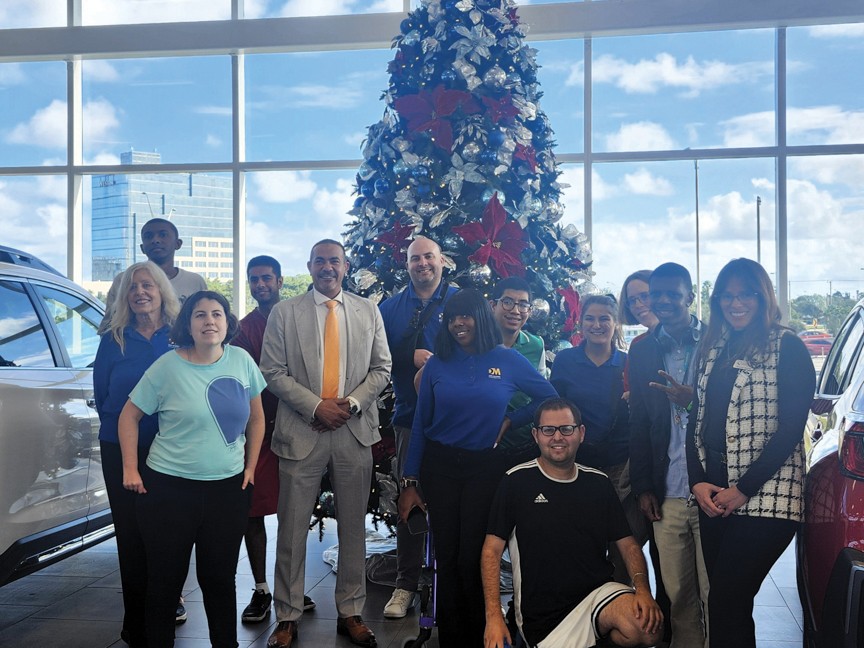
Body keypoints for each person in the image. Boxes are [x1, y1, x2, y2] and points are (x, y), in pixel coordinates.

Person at [398, 288, 558, 647]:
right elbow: (421, 424)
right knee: (448, 556)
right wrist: (409, 480)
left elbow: (550, 397)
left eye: (466, 315)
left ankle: (481, 635)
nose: (458, 323)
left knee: (475, 555)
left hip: (483, 468)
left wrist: (512, 421)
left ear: (481, 318)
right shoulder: (438, 364)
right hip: (439, 468)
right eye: (452, 317)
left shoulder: (508, 360)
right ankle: (453, 638)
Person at [260, 239, 392, 648]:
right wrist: (317, 407)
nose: (327, 268)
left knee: (354, 527)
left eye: (334, 261)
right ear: (310, 266)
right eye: (320, 261)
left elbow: (382, 367)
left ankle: (350, 612)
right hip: (303, 433)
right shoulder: (285, 312)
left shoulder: (368, 310)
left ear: (346, 266)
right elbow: (273, 371)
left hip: (353, 432)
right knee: (292, 528)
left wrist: (349, 405)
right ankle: (287, 615)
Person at [118, 290, 266, 648]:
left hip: (227, 491)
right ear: (188, 323)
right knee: (165, 582)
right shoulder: (167, 366)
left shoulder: (242, 360)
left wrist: (250, 468)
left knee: (219, 579)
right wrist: (130, 469)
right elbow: (129, 416)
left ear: (227, 322)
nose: (209, 321)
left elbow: (258, 419)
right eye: (200, 315)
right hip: (169, 491)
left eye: (216, 314)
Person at [687, 258, 815, 648]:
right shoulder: (715, 347)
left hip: (768, 498)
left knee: (728, 596)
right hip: (714, 495)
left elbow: (791, 430)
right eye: (727, 295)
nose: (735, 302)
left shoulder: (787, 346)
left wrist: (743, 488)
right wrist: (697, 482)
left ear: (763, 297)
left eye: (745, 294)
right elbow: (698, 418)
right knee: (726, 602)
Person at [482, 398, 663, 648]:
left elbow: (629, 544)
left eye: (566, 429)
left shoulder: (598, 482)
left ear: (581, 433)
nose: (558, 437)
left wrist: (642, 588)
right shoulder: (516, 481)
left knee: (647, 627)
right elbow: (491, 551)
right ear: (535, 435)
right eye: (548, 430)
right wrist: (494, 617)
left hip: (597, 597)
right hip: (543, 618)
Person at [94, 261, 180, 647]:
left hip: (171, 451)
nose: (140, 292)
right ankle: (136, 627)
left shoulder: (180, 336)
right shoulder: (114, 338)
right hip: (120, 450)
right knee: (131, 538)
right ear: (125, 297)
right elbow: (103, 397)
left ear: (162, 290)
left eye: (148, 285)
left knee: (167, 536)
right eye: (133, 288)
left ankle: (163, 617)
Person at [229, 256, 316, 623]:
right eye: (254, 280)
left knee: (294, 512)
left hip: (301, 425)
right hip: (262, 431)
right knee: (254, 511)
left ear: (280, 281)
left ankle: (291, 588)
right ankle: (263, 588)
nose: (260, 284)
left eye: (267, 278)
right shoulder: (245, 328)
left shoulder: (300, 317)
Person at [629, 262, 708, 648]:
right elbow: (639, 421)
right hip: (668, 490)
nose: (662, 301)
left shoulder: (717, 340)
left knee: (716, 592)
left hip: (714, 489)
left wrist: (693, 401)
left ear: (690, 296)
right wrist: (644, 485)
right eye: (654, 294)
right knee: (678, 596)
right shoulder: (642, 349)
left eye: (672, 294)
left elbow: (732, 411)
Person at [378, 236, 457, 619]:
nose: (422, 263)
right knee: (409, 500)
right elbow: (372, 357)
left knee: (454, 503)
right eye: (415, 258)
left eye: (429, 256)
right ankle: (406, 584)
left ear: (442, 260)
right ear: (406, 264)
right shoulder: (389, 308)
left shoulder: (461, 301)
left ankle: (453, 581)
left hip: (458, 423)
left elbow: (482, 348)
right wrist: (406, 357)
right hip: (410, 420)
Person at [549, 294, 640, 583]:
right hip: (577, 467)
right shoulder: (565, 361)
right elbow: (555, 410)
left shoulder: (629, 363)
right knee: (577, 543)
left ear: (616, 324)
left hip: (620, 468)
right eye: (590, 318)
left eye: (604, 318)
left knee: (621, 546)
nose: (597, 324)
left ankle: (619, 614)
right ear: (580, 322)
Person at [99, 217, 207, 334]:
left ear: (178, 244)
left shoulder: (195, 282)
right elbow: (109, 325)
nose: (155, 240)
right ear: (142, 248)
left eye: (163, 235)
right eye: (148, 236)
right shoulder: (123, 280)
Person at [489, 276, 547, 467]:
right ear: (492, 306)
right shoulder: (477, 345)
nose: (515, 311)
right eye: (507, 302)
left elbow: (544, 396)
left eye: (523, 305)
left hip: (523, 443)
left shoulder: (536, 345)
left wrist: (511, 420)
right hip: (482, 444)